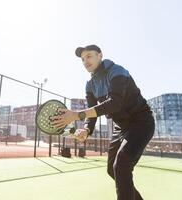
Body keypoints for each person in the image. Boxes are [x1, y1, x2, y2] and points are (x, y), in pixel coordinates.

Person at [51, 44, 155, 200]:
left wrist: (76, 115)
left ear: (100, 55)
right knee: (112, 169)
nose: (86, 61)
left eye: (89, 56)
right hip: (121, 127)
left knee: (121, 165)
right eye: (83, 59)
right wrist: (86, 129)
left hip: (141, 122)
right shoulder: (90, 85)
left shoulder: (117, 71)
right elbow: (92, 112)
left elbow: (114, 103)